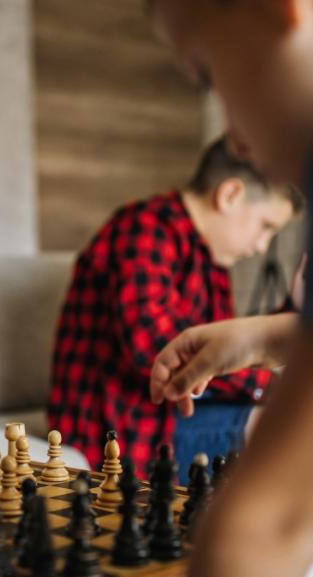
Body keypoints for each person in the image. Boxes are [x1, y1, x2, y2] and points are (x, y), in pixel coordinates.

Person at [147, 1, 313, 576]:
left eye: (208, 73)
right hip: (136, 425)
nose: (235, 140)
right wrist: (267, 339)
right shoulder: (149, 232)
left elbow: (266, 534)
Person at [48, 136, 300, 482]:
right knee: (289, 428)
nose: (261, 246)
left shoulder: (210, 258)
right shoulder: (144, 228)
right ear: (230, 195)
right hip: (123, 430)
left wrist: (296, 307)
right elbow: (154, 349)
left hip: (175, 416)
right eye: (266, 227)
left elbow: (226, 349)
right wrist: (271, 382)